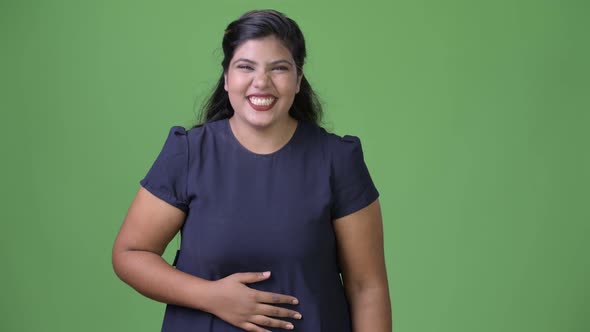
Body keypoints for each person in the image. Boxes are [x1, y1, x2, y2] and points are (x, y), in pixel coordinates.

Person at [112, 9, 392, 332]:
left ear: (299, 79)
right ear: (227, 77)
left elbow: (366, 287)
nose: (262, 82)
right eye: (246, 67)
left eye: (279, 69)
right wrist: (211, 297)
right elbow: (130, 253)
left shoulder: (337, 161)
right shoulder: (188, 153)